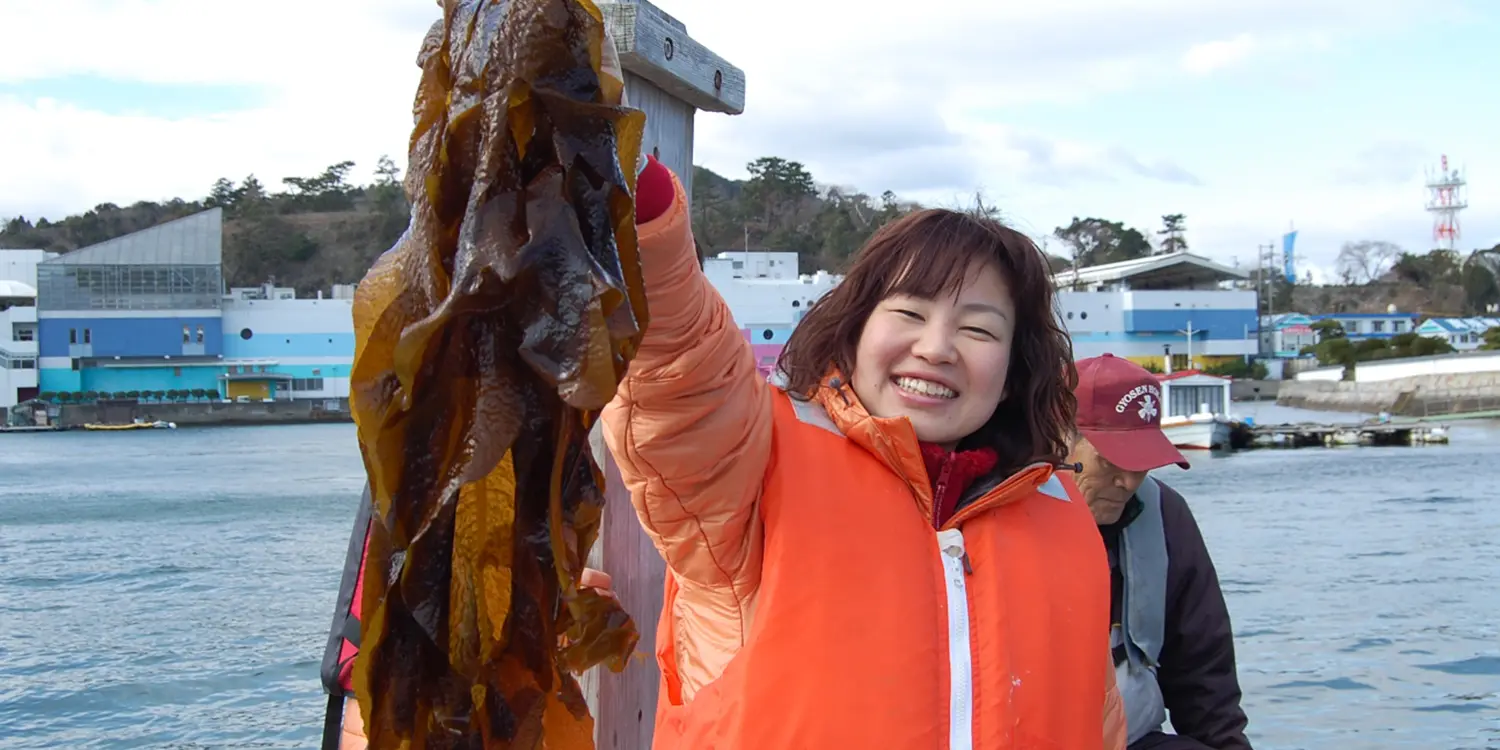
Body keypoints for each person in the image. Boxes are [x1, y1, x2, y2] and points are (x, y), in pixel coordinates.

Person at [592, 155, 1125, 749]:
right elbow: (678, 367)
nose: (937, 347)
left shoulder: (1064, 513)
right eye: (908, 312)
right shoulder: (753, 468)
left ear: (1013, 369)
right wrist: (635, 189)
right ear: (856, 328)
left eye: (979, 330)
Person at [1068, 354, 1252, 750]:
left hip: (1135, 738)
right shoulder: (998, 514)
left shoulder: (1166, 515)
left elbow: (1204, 673)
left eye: (1143, 462)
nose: (1130, 480)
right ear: (1058, 438)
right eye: (1112, 461)